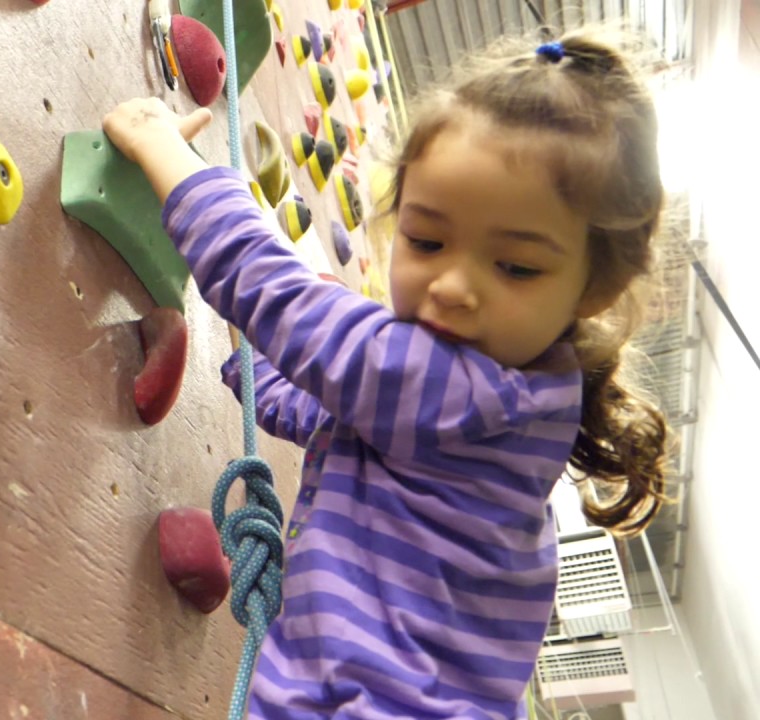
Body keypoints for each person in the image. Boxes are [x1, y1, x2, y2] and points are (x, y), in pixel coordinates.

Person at [103, 30, 669, 720]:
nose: (453, 286)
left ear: (595, 291)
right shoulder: (500, 408)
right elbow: (334, 413)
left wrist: (163, 149)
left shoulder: (474, 393)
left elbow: (282, 303)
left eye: (516, 267)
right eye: (426, 241)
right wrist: (249, 361)